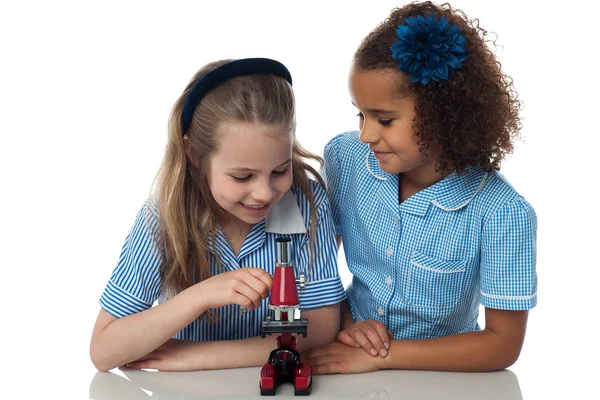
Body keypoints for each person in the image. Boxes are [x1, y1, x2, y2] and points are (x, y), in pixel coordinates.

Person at [304, 1, 537, 374]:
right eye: (360, 114)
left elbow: (502, 343)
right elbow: (318, 269)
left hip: (444, 377)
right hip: (344, 354)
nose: (366, 134)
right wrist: (350, 326)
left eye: (384, 119)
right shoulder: (345, 157)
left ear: (443, 113)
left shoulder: (503, 213)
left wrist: (381, 357)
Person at [90, 58, 346, 372]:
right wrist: (199, 296)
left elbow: (321, 331)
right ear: (195, 155)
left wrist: (196, 356)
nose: (265, 193)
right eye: (242, 177)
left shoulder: (308, 203)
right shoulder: (163, 217)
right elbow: (103, 351)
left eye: (280, 170)